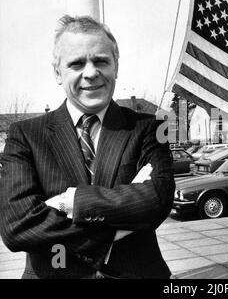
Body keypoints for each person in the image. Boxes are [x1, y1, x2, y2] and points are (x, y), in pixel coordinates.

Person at [0, 15, 175, 279]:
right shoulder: (25, 135)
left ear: (116, 66)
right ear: (58, 73)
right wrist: (117, 220)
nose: (91, 72)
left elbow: (157, 201)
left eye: (101, 60)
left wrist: (73, 203)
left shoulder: (150, 127)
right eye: (77, 63)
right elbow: (17, 227)